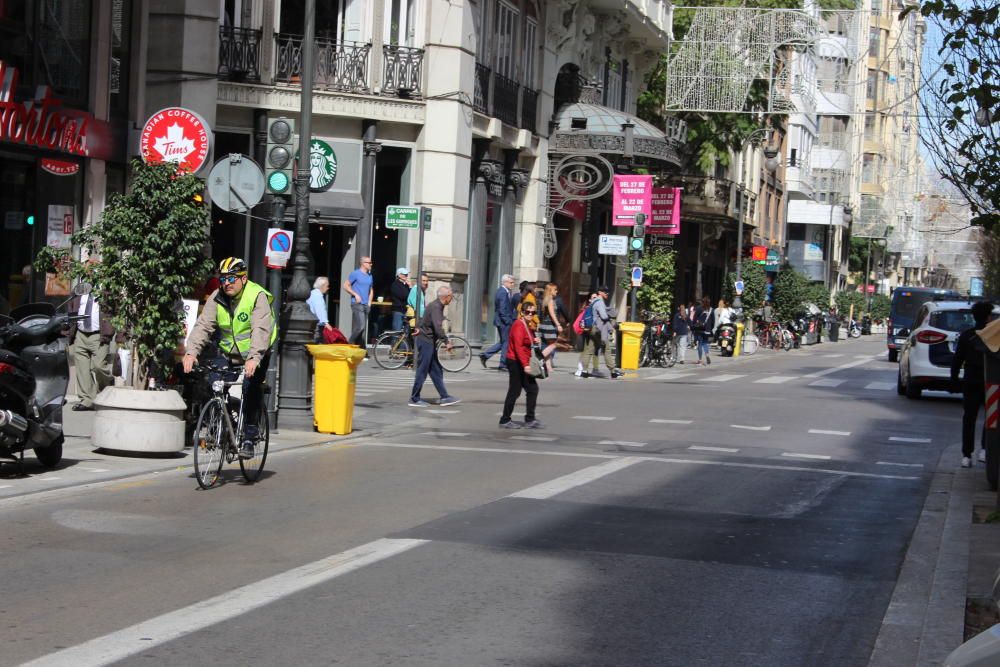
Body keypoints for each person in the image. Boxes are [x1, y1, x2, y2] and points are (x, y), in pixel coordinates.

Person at [183, 257, 277, 458]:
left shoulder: (256, 296)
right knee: (211, 382)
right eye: (223, 279)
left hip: (257, 352)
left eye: (232, 279)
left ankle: (250, 437)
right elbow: (203, 326)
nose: (227, 283)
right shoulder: (217, 297)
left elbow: (260, 330)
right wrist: (191, 352)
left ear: (243, 279)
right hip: (228, 352)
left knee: (249, 388)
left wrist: (254, 358)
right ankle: (228, 422)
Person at [951, 300, 996, 468]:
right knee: (990, 418)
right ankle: (985, 449)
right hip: (990, 383)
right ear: (988, 317)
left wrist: (954, 380)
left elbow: (957, 359)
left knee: (969, 418)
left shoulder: (967, 335)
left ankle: (966, 455)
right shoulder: (994, 336)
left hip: (970, 381)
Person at [409, 286, 461, 408]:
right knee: (422, 370)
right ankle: (414, 398)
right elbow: (438, 328)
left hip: (427, 340)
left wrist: (419, 327)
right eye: (451, 296)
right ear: (446, 297)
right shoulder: (436, 307)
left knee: (436, 370)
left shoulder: (436, 305)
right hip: (426, 341)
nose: (451, 298)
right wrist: (446, 341)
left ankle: (445, 396)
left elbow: (425, 320)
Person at [499, 298, 543, 429]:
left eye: (533, 312)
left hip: (521, 361)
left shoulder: (527, 325)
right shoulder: (518, 324)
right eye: (527, 312)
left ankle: (530, 419)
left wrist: (534, 341)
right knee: (515, 391)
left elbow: (525, 343)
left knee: (532, 389)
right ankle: (505, 420)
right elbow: (518, 346)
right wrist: (526, 365)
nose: (530, 314)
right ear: (522, 312)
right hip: (515, 362)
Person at [69, 290, 114, 411]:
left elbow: (117, 312)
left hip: (99, 335)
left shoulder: (107, 289)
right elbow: (72, 309)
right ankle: (87, 400)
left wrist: (118, 334)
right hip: (81, 334)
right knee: (82, 369)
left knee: (98, 366)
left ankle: (106, 391)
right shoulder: (80, 289)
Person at [580, 285, 622, 378]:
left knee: (589, 349)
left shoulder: (594, 301)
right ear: (600, 292)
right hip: (599, 329)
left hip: (592, 328)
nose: (607, 293)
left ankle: (584, 371)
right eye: (605, 291)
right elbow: (603, 316)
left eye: (608, 292)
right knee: (606, 349)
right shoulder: (600, 302)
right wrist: (609, 317)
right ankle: (613, 371)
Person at [480, 274, 516, 371]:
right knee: (506, 342)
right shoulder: (502, 292)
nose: (513, 284)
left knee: (503, 342)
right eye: (511, 282)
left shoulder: (506, 291)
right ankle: (502, 364)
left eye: (513, 282)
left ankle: (485, 355)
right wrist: (508, 322)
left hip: (503, 321)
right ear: (505, 282)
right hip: (503, 322)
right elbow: (502, 309)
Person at [342, 256, 373, 347]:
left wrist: (369, 302)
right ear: (363, 263)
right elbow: (346, 285)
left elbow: (371, 290)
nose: (371, 264)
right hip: (357, 303)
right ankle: (350, 343)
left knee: (361, 328)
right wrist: (355, 294)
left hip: (366, 304)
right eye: (369, 262)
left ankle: (359, 349)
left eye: (371, 262)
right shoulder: (355, 274)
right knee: (361, 326)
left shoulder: (370, 276)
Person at [537, 282, 564, 372]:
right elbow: (552, 314)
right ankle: (538, 360)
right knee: (554, 344)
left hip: (543, 325)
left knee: (546, 345)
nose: (557, 291)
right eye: (555, 290)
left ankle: (548, 367)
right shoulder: (550, 300)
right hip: (549, 326)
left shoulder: (544, 299)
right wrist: (558, 324)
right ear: (550, 290)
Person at [307, 277, 333, 342]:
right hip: (316, 325)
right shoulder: (318, 296)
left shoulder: (312, 293)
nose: (328, 288)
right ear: (322, 286)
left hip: (312, 324)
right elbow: (319, 310)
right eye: (327, 286)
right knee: (317, 343)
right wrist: (326, 323)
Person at [692, 297, 715, 365]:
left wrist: (694, 326)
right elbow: (713, 321)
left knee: (700, 344)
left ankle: (700, 359)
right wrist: (710, 328)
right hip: (707, 330)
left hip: (700, 329)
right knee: (705, 343)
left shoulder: (699, 308)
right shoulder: (711, 310)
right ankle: (707, 354)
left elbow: (694, 318)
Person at [389, 267, 411, 331]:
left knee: (405, 332)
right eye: (404, 274)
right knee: (397, 330)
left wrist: (410, 287)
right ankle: (394, 341)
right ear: (399, 275)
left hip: (405, 311)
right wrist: (409, 288)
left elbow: (411, 296)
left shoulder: (406, 285)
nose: (406, 276)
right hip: (398, 310)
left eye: (407, 275)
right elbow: (403, 296)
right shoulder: (395, 285)